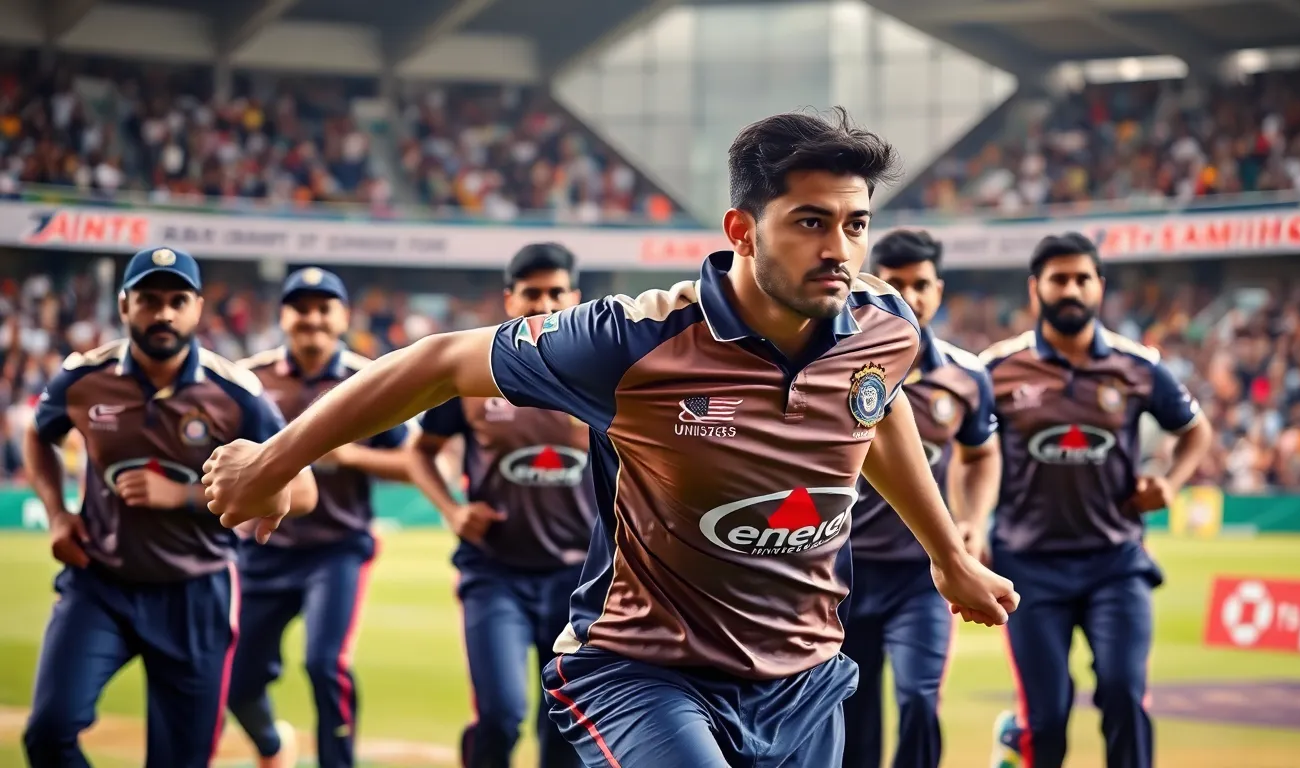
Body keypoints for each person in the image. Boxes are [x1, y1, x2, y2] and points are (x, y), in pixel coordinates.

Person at [201, 108, 1020, 768]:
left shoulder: (883, 327)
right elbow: (439, 363)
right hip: (646, 669)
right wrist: (271, 464)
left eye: (855, 224)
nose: (839, 250)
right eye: (811, 222)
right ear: (741, 227)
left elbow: (875, 409)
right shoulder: (632, 341)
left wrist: (948, 555)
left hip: (804, 675)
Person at [22, 247, 318, 768]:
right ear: (123, 305)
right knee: (47, 733)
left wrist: (183, 495)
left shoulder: (237, 393)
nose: (163, 313)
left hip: (196, 592)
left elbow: (305, 491)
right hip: (100, 583)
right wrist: (58, 513)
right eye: (149, 300)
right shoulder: (82, 378)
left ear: (198, 309)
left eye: (177, 300)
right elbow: (37, 435)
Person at [981, 233, 1213, 768]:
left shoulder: (1139, 366)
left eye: (1082, 278)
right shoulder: (994, 369)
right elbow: (967, 455)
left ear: (1099, 288)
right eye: (1058, 279)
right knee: (1046, 717)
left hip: (1115, 562)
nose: (1071, 289)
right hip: (1027, 566)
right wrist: (970, 527)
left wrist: (1171, 484)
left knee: (1123, 692)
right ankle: (1019, 738)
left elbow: (1195, 432)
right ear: (1035, 289)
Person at [406, 243, 591, 768]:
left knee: (568, 725)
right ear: (510, 300)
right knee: (501, 716)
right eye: (531, 293)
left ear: (574, 297)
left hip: (579, 581)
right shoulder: (472, 374)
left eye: (556, 292)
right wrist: (451, 510)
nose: (544, 304)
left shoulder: (605, 380)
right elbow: (420, 455)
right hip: (495, 573)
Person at [228, 267, 412, 768]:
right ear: (283, 316)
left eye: (322, 307)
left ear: (343, 317)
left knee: (325, 664)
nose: (311, 317)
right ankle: (272, 746)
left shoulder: (370, 378)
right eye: (300, 307)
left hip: (337, 548)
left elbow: (413, 463)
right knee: (237, 681)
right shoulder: (247, 378)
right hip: (262, 551)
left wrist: (352, 458)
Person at [842, 230, 1002, 768]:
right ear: (873, 286)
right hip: (839, 570)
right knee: (850, 715)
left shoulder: (967, 375)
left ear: (940, 289)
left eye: (923, 284)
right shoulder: (833, 363)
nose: (911, 296)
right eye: (897, 283)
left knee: (918, 702)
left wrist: (974, 521)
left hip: (922, 575)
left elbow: (981, 456)